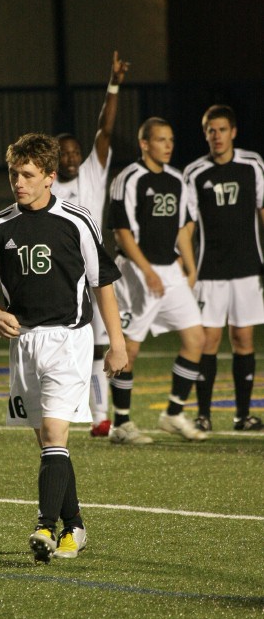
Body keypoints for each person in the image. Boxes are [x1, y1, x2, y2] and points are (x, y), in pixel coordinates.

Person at [0, 132, 127, 564]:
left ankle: (45, 525)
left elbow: (103, 283)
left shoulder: (76, 221)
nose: (18, 182)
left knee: (56, 435)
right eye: (13, 174)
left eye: (27, 174)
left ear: (50, 177)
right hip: (24, 344)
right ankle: (75, 525)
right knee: (47, 442)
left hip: (68, 340)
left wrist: (116, 343)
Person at [107, 117, 207, 442]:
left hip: (169, 271)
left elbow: (183, 228)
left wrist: (190, 270)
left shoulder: (178, 179)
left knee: (197, 340)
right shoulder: (129, 178)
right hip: (137, 271)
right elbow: (122, 233)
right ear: (144, 144)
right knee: (129, 350)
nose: (168, 145)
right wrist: (147, 272)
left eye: (171, 139)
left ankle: (173, 414)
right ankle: (120, 424)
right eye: (161, 139)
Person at [52, 50, 129, 438]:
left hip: (96, 268)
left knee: (104, 345)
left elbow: (105, 129)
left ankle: (103, 416)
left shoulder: (92, 173)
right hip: (64, 273)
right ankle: (65, 408)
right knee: (67, 346)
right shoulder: (45, 187)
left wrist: (113, 84)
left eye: (74, 151)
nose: (70, 156)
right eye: (63, 152)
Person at [184, 104, 264, 432]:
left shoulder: (253, 164)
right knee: (208, 340)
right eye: (210, 131)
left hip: (248, 267)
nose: (216, 136)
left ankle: (242, 415)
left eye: (222, 130)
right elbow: (187, 225)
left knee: (244, 338)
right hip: (210, 269)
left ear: (234, 132)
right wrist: (186, 267)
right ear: (205, 134)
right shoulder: (194, 172)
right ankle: (203, 415)